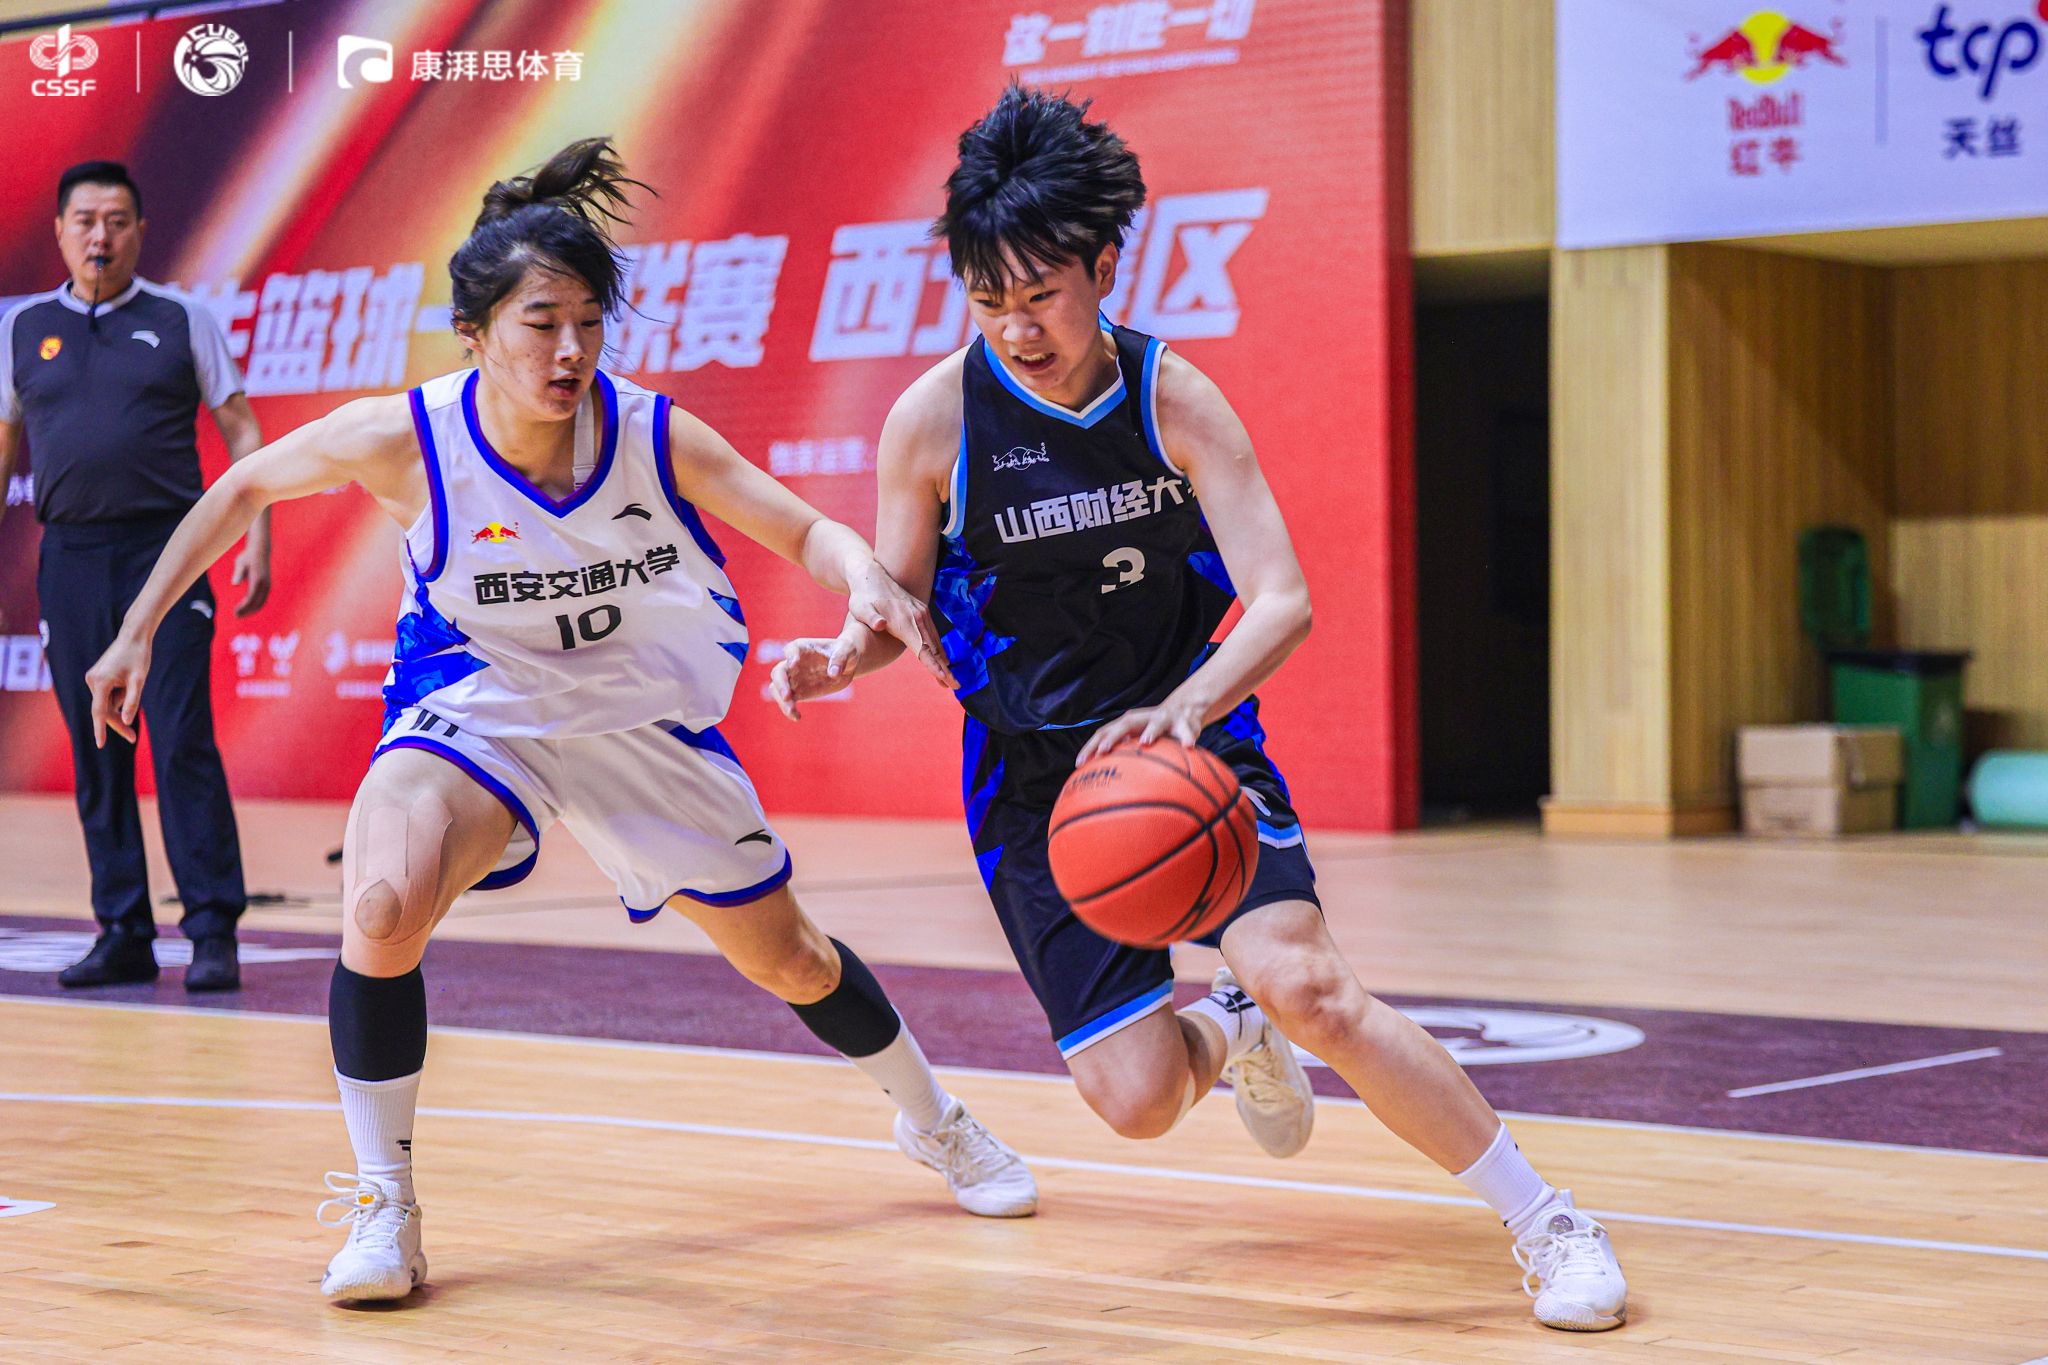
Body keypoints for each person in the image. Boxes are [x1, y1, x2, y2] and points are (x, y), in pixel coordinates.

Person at [87, 138, 1036, 1306]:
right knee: (380, 903)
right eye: (540, 325)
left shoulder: (647, 432)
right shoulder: (407, 439)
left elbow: (800, 528)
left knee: (790, 957)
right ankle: (386, 1205)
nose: (570, 351)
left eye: (588, 323)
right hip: (474, 707)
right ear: (474, 333)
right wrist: (134, 631)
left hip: (634, 722)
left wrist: (865, 581)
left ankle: (932, 1119)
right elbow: (240, 487)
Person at [769, 87, 1630, 1332]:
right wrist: (839, 655)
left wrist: (1182, 711)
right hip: (1030, 781)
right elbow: (898, 605)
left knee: (1312, 989)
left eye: (1040, 293)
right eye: (988, 299)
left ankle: (1546, 1222)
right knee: (1133, 1101)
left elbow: (1283, 601)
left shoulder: (1172, 399)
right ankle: (1229, 1026)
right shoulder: (933, 421)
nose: (1016, 326)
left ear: (1102, 267)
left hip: (1189, 744)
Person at [0, 160, 268, 992]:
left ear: (140, 232)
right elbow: (4, 441)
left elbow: (243, 430)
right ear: (60, 231)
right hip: (72, 559)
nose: (100, 236)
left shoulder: (182, 318)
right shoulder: (23, 328)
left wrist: (257, 533)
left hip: (170, 551)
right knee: (96, 746)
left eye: (116, 221)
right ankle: (122, 929)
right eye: (84, 220)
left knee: (182, 738)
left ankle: (213, 928)